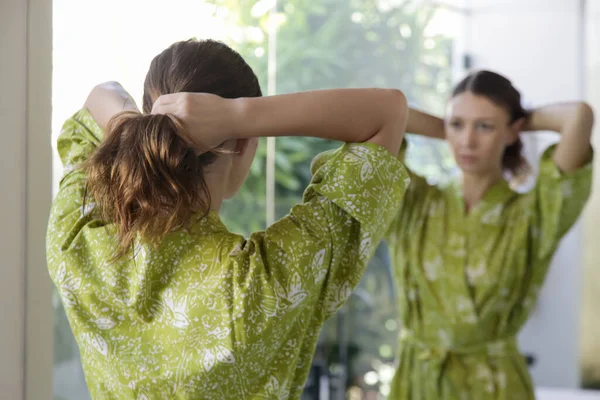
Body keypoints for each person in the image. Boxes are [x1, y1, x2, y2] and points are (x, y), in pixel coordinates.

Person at [46, 39, 410, 399]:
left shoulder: (79, 234)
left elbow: (101, 94)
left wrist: (153, 131)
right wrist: (237, 115)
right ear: (243, 145)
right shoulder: (262, 285)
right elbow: (388, 112)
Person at [386, 70, 594, 399]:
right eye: (457, 125)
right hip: (416, 383)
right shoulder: (415, 202)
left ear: (513, 131)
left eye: (484, 126)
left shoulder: (534, 213)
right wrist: (456, 126)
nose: (467, 141)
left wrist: (518, 120)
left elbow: (578, 116)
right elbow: (382, 114)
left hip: (495, 388)